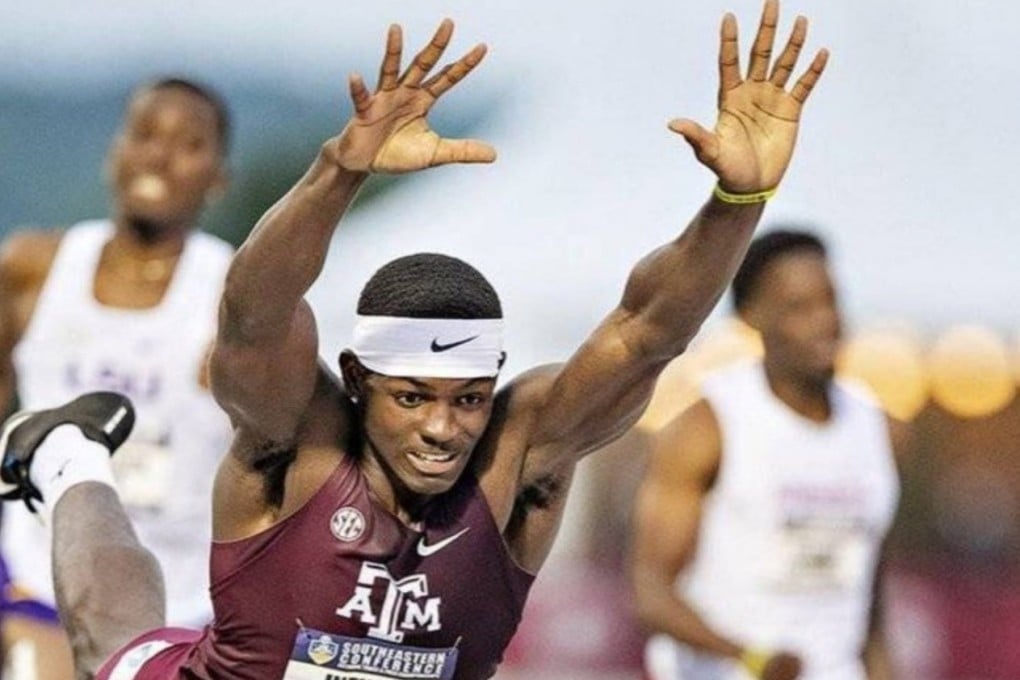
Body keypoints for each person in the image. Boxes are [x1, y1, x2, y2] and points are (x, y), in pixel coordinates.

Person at [0, 3, 829, 678]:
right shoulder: (303, 440)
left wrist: (738, 196)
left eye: (468, 398)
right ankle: (70, 456)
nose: (444, 429)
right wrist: (340, 170)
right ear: (357, 379)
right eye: (412, 398)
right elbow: (252, 316)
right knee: (109, 636)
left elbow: (648, 333)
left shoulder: (519, 457)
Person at [0, 77, 235, 678]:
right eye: (145, 134)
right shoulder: (33, 268)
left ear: (218, 176)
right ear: (116, 152)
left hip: (179, 604)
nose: (159, 155)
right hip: (40, 578)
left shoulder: (233, 298)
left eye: (189, 143)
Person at [632, 230, 909, 680]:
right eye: (800, 308)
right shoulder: (709, 426)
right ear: (751, 316)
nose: (826, 321)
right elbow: (652, 596)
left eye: (831, 301)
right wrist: (751, 657)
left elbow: (870, 605)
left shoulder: (879, 429)